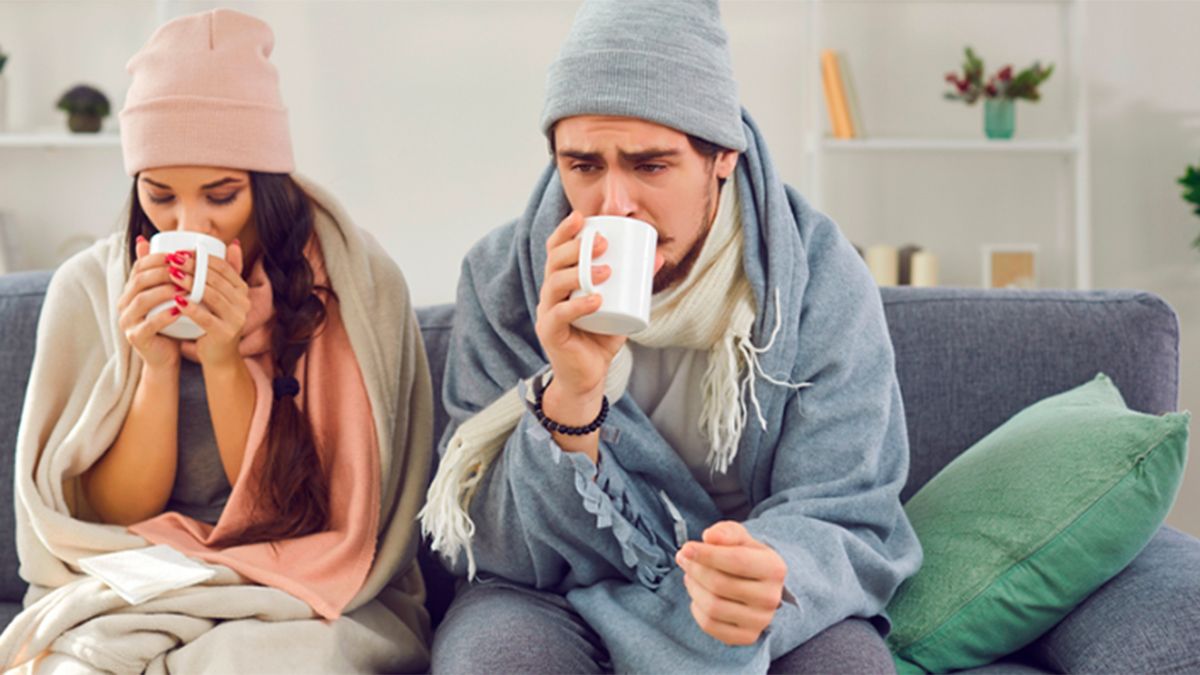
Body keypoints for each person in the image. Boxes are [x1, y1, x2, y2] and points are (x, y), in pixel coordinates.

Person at [421, 1, 923, 672]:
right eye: (584, 166)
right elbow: (493, 547)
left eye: (650, 166)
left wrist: (773, 568)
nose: (612, 205)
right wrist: (571, 393)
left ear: (722, 156)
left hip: (750, 584)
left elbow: (849, 503)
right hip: (559, 590)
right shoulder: (502, 280)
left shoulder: (818, 277)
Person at [0, 10, 433, 673]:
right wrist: (154, 364)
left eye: (221, 195)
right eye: (160, 195)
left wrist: (228, 361)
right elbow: (109, 517)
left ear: (267, 186)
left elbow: (298, 521)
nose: (187, 223)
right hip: (139, 574)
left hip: (303, 583)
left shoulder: (353, 284)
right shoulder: (87, 290)